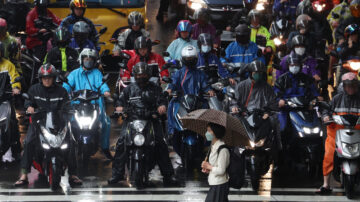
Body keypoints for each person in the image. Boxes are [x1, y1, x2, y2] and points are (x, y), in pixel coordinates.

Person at [108, 62, 178, 186]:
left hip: (151, 120)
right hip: (131, 121)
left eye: (144, 74)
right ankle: (117, 174)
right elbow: (120, 100)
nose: (141, 76)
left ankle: (168, 176)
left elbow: (162, 99)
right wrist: (119, 107)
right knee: (121, 143)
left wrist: (162, 106)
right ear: (135, 75)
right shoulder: (129, 89)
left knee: (161, 144)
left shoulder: (155, 88)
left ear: (148, 74)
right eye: (139, 74)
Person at [14, 64, 82, 187]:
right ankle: (24, 175)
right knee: (28, 142)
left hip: (58, 123)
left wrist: (70, 110)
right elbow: (28, 101)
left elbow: (67, 105)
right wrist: (29, 106)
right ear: (40, 78)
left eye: (49, 77)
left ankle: (73, 174)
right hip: (38, 122)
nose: (47, 80)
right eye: (44, 77)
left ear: (54, 78)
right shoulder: (34, 89)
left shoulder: (62, 91)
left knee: (71, 142)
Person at [62, 48, 113, 160]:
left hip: (94, 104)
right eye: (86, 58)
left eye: (91, 59)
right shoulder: (74, 74)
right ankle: (65, 148)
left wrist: (106, 91)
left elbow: (102, 84)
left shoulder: (97, 73)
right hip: (77, 105)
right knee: (65, 123)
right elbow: (67, 86)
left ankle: (105, 148)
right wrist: (63, 91)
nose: (88, 61)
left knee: (106, 123)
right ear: (81, 60)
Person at [316, 72, 360, 194]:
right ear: (344, 86)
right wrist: (325, 116)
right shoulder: (337, 98)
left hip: (357, 134)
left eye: (353, 85)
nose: (351, 88)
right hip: (337, 134)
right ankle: (326, 185)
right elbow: (326, 109)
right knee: (329, 154)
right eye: (348, 85)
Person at [167, 45, 215, 155]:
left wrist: (209, 90)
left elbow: (205, 85)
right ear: (183, 59)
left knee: (209, 109)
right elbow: (173, 84)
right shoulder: (179, 73)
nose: (189, 61)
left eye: (191, 58)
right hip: (181, 102)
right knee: (170, 106)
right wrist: (170, 90)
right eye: (187, 59)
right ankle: (171, 131)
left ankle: (207, 134)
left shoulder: (200, 73)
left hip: (198, 102)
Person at [274, 54, 323, 133]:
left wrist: (317, 98)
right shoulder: (281, 80)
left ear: (300, 66)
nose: (294, 67)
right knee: (282, 129)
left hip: (305, 108)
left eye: (296, 65)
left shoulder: (307, 79)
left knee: (318, 127)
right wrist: (280, 101)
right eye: (292, 65)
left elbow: (315, 93)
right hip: (287, 110)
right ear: (288, 66)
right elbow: (276, 95)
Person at [201, 123, 230, 202]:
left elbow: (221, 170)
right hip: (214, 183)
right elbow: (215, 166)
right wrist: (208, 169)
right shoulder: (213, 146)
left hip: (219, 185)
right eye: (207, 130)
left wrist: (209, 167)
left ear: (216, 132)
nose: (207, 133)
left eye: (209, 130)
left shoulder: (223, 149)